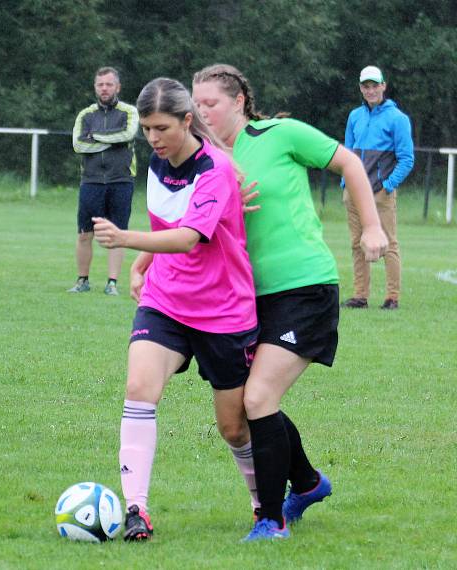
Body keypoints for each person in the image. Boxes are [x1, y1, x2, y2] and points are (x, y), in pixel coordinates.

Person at [192, 64, 387, 541]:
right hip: (242, 299)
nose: (201, 113)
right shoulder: (204, 160)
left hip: (305, 289)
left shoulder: (280, 134)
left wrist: (373, 227)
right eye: (195, 106)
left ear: (238, 101)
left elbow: (350, 164)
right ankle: (307, 483)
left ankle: (270, 519)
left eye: (210, 104)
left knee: (259, 398)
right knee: (242, 410)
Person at [93, 78, 260, 541]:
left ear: (187, 121)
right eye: (146, 129)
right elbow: (166, 223)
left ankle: (261, 503)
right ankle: (136, 511)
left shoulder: (216, 169)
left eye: (161, 128)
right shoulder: (158, 162)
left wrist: (126, 242)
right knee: (138, 387)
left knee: (233, 427)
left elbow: (190, 236)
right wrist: (144, 263)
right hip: (166, 300)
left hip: (223, 310)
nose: (153, 138)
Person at [342, 65, 414, 310]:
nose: (371, 90)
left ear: (384, 85)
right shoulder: (355, 116)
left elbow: (407, 158)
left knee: (389, 244)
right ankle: (360, 296)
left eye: (375, 85)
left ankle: (392, 298)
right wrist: (345, 183)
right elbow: (348, 153)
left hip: (381, 193)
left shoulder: (398, 119)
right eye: (366, 86)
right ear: (361, 88)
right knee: (356, 243)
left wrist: (388, 185)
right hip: (353, 192)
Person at [69, 67, 139, 296]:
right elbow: (78, 145)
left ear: (117, 87)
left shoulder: (129, 112)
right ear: (95, 87)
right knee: (84, 233)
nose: (104, 88)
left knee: (117, 233)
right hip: (91, 180)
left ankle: (112, 283)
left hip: (121, 179)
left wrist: (95, 137)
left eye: (109, 84)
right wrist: (111, 141)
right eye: (100, 84)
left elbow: (128, 135)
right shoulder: (86, 115)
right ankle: (82, 280)